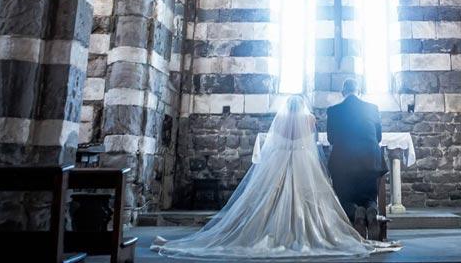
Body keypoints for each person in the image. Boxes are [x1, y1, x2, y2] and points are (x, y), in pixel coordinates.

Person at [159, 95, 399, 258]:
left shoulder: (281, 120)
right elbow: (313, 144)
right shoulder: (309, 120)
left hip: (281, 165)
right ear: (303, 107)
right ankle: (364, 210)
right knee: (314, 202)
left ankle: (272, 231)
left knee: (270, 200)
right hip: (305, 167)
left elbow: (273, 147)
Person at [326, 78, 388, 238]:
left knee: (343, 198)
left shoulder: (333, 110)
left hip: (343, 164)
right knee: (369, 195)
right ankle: (371, 211)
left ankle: (355, 212)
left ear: (343, 92)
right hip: (370, 162)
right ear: (359, 91)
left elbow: (331, 139)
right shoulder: (372, 108)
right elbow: (378, 137)